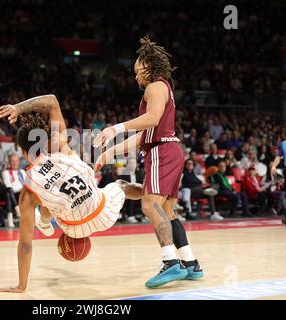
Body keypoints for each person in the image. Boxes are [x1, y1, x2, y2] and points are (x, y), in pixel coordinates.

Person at [0, 94, 142, 293]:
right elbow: (52, 100)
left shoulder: (28, 190)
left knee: (49, 199)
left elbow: (25, 245)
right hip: (104, 212)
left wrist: (21, 285)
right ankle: (152, 193)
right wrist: (19, 108)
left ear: (22, 151)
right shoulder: (60, 145)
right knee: (122, 185)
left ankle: (45, 223)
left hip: (73, 228)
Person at [94, 37, 203, 287]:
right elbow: (145, 134)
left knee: (149, 206)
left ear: (147, 67)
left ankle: (170, 262)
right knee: (166, 210)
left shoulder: (154, 86)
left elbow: (152, 120)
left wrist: (116, 127)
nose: (135, 77)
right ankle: (190, 262)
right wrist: (109, 152)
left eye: (136, 72)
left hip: (161, 151)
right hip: (170, 148)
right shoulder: (162, 88)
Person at [1, 153, 26, 220]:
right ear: (9, 162)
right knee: (9, 191)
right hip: (14, 193)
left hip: (24, 192)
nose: (14, 163)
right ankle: (17, 209)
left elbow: (27, 183)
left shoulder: (22, 171)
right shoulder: (5, 172)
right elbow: (8, 186)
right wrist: (20, 189)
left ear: (18, 162)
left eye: (16, 161)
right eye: (12, 161)